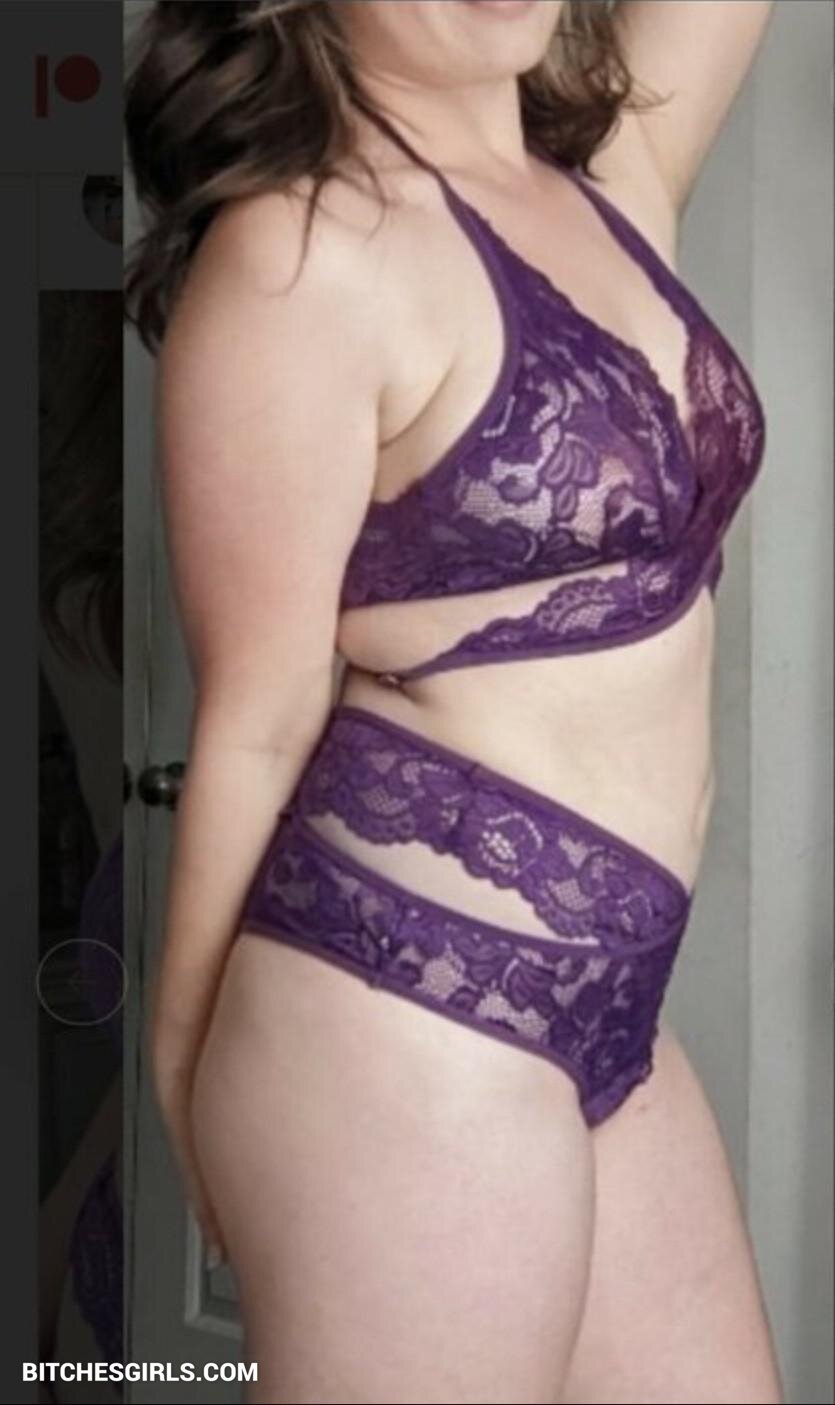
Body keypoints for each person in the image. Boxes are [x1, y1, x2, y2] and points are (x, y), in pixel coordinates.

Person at [125, 2, 783, 1400]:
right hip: (405, 1015)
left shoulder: (612, 182)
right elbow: (254, 721)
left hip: (613, 1000)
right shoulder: (303, 259)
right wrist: (182, 1077)